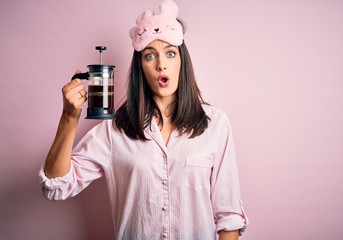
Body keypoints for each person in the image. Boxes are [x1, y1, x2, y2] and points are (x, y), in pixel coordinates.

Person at [39, 0, 248, 239]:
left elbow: (228, 217)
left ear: (182, 61)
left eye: (170, 53)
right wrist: (69, 116)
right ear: (141, 66)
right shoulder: (114, 130)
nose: (161, 65)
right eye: (150, 55)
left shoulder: (216, 124)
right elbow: (55, 186)